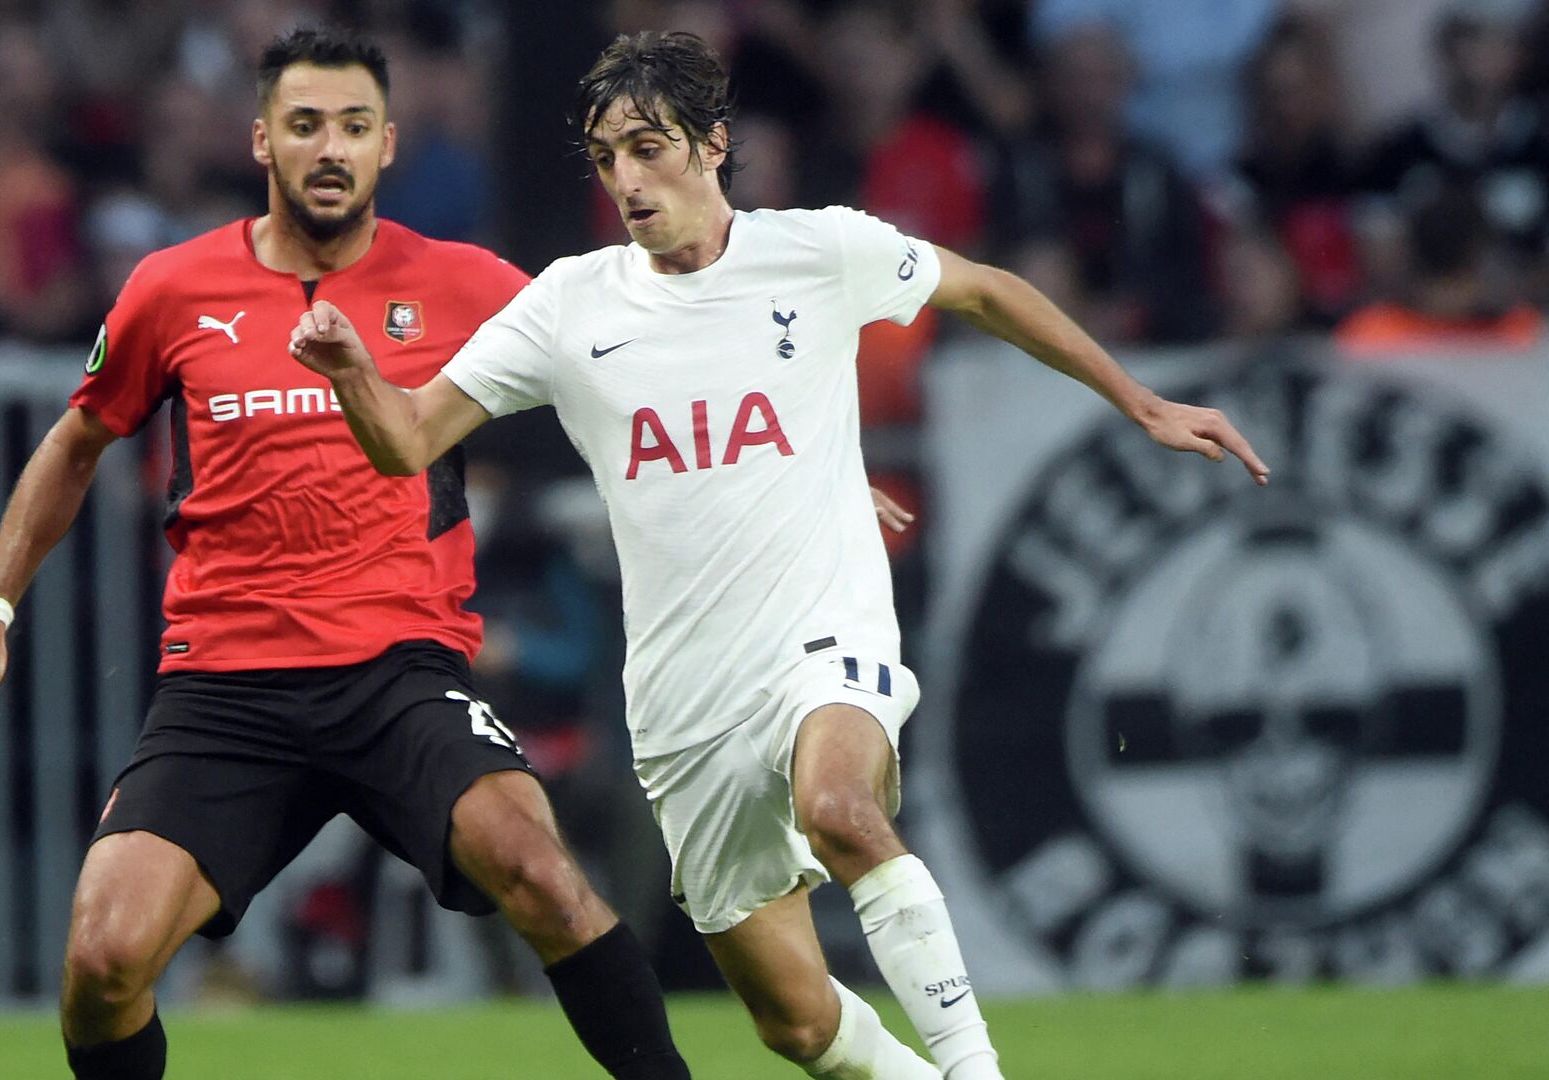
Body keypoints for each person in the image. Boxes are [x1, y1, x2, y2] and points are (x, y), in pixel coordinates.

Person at [288, 31, 1270, 1080]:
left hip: (824, 635)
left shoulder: (818, 251)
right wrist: (353, 372)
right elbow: (406, 439)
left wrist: (1143, 401)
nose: (628, 178)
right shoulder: (571, 305)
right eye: (607, 156)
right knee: (796, 1024)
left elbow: (983, 289)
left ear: (713, 145)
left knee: (842, 808)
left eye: (649, 146)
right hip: (683, 701)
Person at [0, 29, 689, 1080]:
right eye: (304, 125)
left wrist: (786, 482)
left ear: (387, 146)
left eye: (352, 126)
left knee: (546, 876)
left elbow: (638, 374)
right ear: (261, 142)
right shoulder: (172, 287)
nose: (328, 147)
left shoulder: (471, 284)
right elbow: (75, 443)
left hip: (401, 675)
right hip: (224, 693)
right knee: (103, 959)